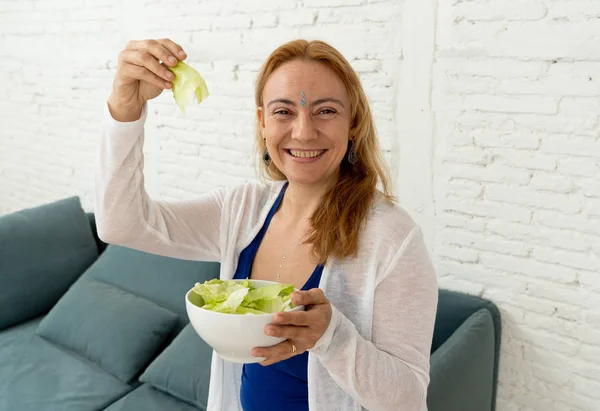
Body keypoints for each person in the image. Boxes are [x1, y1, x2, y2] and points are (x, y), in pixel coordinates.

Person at [95, 38, 438, 411]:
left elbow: (409, 400)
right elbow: (121, 224)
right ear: (262, 123)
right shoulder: (241, 210)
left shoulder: (392, 238)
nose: (304, 132)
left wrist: (333, 338)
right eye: (283, 112)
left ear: (353, 123)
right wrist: (126, 109)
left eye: (325, 111)